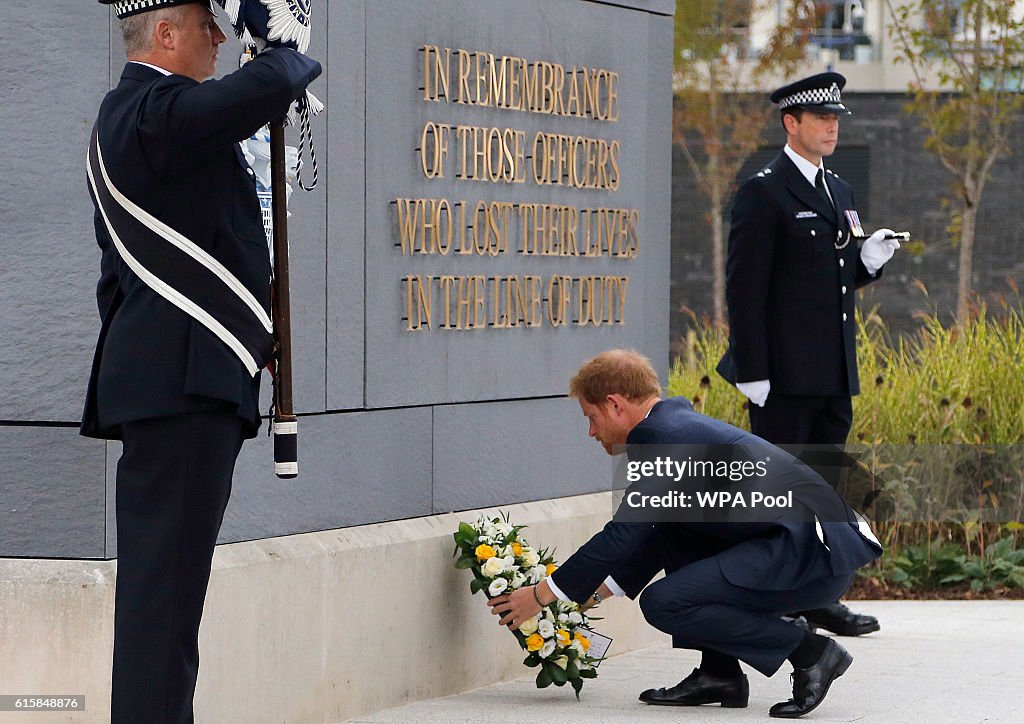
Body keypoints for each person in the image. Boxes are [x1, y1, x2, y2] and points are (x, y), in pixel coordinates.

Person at [81, 1, 321, 720]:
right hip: (180, 391)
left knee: (169, 598)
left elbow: (122, 282)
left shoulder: (149, 118)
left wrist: (244, 340)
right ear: (165, 34)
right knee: (165, 602)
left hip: (182, 380)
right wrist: (280, 36)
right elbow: (272, 79)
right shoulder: (154, 110)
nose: (221, 39)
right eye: (208, 25)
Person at [488, 349, 882, 719]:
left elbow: (623, 532)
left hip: (812, 558)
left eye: (591, 417)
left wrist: (542, 595)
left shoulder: (666, 439)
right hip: (807, 551)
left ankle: (811, 652)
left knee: (664, 602)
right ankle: (719, 673)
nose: (591, 431)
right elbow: (661, 532)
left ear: (614, 404)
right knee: (681, 537)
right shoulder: (673, 428)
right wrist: (599, 590)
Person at [716, 72, 899, 637]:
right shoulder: (763, 190)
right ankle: (778, 600)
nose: (832, 126)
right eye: (821, 118)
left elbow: (830, 283)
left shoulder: (838, 190)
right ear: (791, 123)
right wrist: (752, 371)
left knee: (825, 490)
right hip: (783, 378)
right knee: (781, 494)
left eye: (836, 118)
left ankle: (820, 597)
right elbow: (745, 288)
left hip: (832, 371)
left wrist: (866, 262)